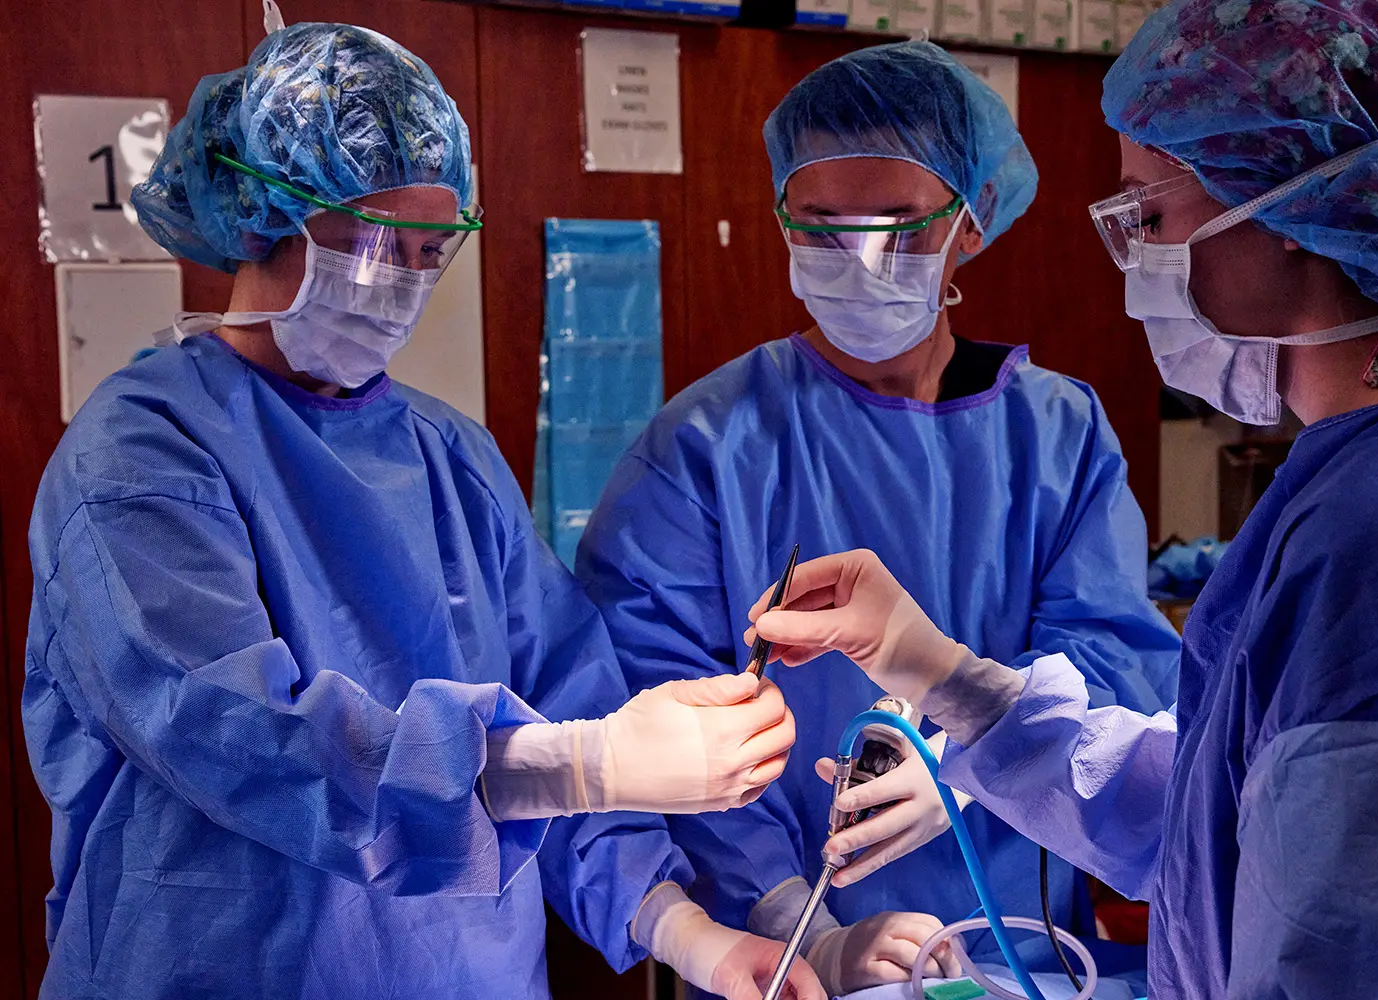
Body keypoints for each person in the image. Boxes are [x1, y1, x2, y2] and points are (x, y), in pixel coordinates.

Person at [21, 13, 823, 1000]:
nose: (401, 280)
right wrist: (583, 761)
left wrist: (684, 927)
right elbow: (251, 742)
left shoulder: (451, 457)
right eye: (375, 240)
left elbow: (567, 699)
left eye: (429, 249)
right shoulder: (141, 456)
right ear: (268, 211)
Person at [745, 1, 1378, 997]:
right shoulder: (1376, 477)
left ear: (1283, 212)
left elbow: (1343, 943)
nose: (1136, 258)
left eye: (1146, 216)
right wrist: (939, 675)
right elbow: (1217, 821)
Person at [575, 40, 1179, 997]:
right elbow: (643, 713)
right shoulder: (706, 448)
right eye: (822, 228)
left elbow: (1120, 669)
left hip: (1023, 955)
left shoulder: (1057, 436)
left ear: (971, 223)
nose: (858, 260)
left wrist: (970, 753)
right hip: (778, 960)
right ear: (781, 218)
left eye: (898, 225)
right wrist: (793, 930)